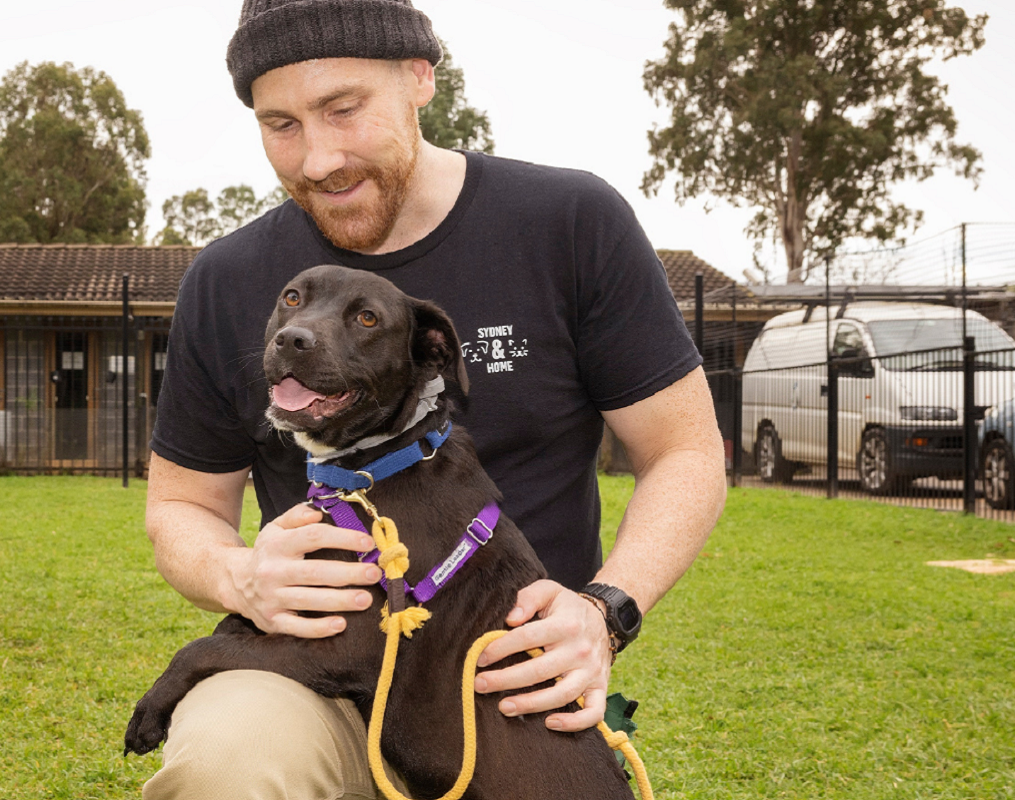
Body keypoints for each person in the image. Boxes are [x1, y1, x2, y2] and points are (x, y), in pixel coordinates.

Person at [141, 1, 727, 797]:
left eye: (343, 110)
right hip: (321, 671)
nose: (318, 159)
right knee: (226, 762)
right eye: (281, 124)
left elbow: (685, 452)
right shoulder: (228, 278)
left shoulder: (569, 223)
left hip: (509, 694)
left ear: (420, 77)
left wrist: (606, 608)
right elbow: (180, 504)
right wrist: (237, 575)